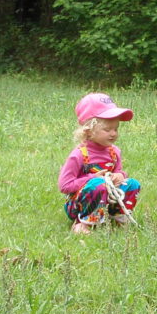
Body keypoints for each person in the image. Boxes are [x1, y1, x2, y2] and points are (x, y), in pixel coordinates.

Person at [59, 93, 141, 234]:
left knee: (133, 184)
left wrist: (120, 175)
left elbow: (119, 171)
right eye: (107, 129)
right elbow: (65, 186)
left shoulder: (114, 152)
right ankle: (83, 223)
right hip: (79, 204)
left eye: (116, 129)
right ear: (89, 131)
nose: (113, 134)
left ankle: (118, 215)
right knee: (98, 186)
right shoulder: (78, 155)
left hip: (106, 201)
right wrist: (93, 178)